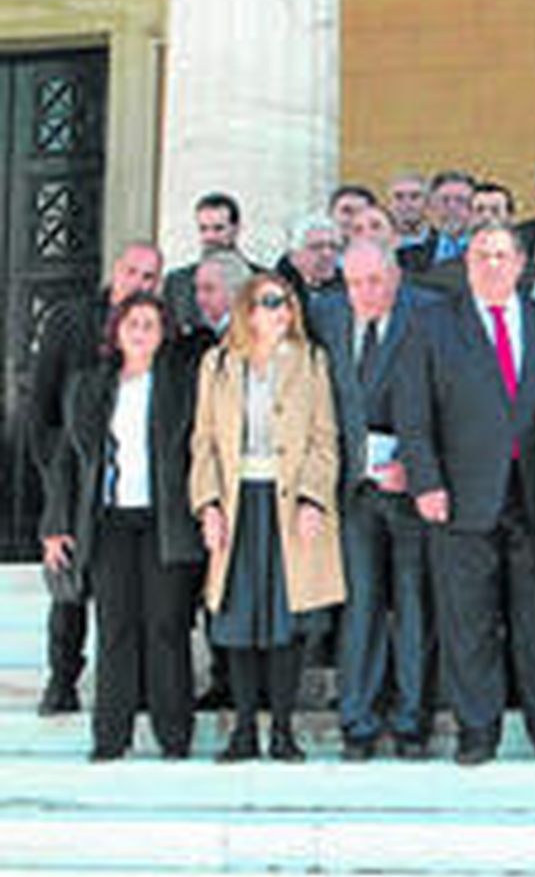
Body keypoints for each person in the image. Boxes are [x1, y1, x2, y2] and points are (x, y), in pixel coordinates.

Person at [396, 224, 535, 765]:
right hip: (460, 495)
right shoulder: (432, 323)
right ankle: (478, 730)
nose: (492, 264)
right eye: (481, 255)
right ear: (467, 263)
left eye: (502, 255)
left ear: (522, 263)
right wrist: (425, 481)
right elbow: (413, 410)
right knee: (467, 618)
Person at [39, 291, 203, 760]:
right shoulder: (89, 386)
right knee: (114, 629)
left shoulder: (181, 385)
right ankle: (111, 739)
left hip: (165, 523)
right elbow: (68, 461)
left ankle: (174, 739)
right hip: (109, 523)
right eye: (132, 323)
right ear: (117, 330)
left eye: (150, 324)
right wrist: (56, 524)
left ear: (163, 333)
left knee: (167, 628)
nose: (140, 332)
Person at [189, 272, 344, 762]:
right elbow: (203, 443)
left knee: (286, 619)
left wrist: (314, 498)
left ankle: (282, 730)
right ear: (247, 309)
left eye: (285, 302)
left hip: (289, 504)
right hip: (238, 505)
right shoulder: (218, 364)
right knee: (236, 619)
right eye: (268, 301)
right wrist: (207, 503)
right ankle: (242, 732)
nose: (279, 310)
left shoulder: (311, 361)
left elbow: (326, 438)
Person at [309, 241, 438, 761]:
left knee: (411, 605)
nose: (367, 292)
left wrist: (417, 465)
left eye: (376, 281)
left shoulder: (428, 314)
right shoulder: (327, 315)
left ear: (396, 278)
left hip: (408, 487)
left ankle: (411, 721)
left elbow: (443, 395)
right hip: (352, 490)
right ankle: (357, 723)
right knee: (360, 605)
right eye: (357, 282)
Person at [30, 240, 164, 715]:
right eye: (132, 272)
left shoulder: (159, 328)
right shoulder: (69, 320)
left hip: (130, 485)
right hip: (73, 473)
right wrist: (56, 480)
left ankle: (141, 687)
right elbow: (42, 404)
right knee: (68, 584)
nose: (139, 283)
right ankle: (62, 679)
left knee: (135, 595)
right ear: (116, 269)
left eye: (150, 277)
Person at [163, 192, 256, 334]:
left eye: (218, 228)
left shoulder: (260, 280)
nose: (210, 237)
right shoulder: (177, 283)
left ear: (236, 229)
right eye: (203, 229)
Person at [275, 212, 344, 308]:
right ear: (294, 254)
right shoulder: (274, 290)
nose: (327, 254)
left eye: (333, 247)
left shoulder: (349, 290)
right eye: (316, 247)